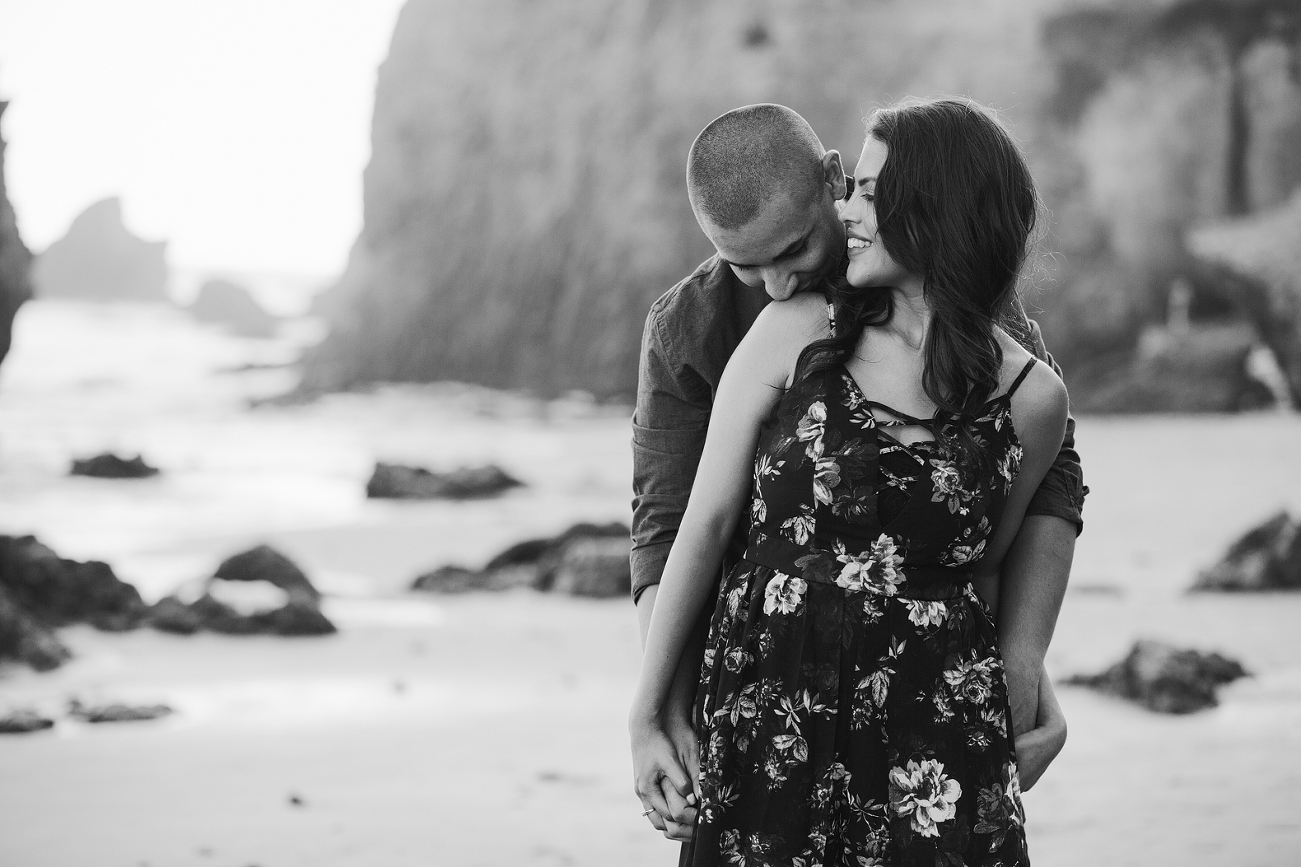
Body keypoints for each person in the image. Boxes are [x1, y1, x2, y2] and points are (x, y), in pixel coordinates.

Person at [629, 98, 1075, 864]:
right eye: (746, 265)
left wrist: (1024, 664)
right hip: (765, 682)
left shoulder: (979, 320)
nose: (774, 283)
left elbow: (1030, 495)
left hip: (924, 707)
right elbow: (673, 523)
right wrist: (659, 710)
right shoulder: (695, 328)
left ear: (832, 182)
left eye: (794, 247)